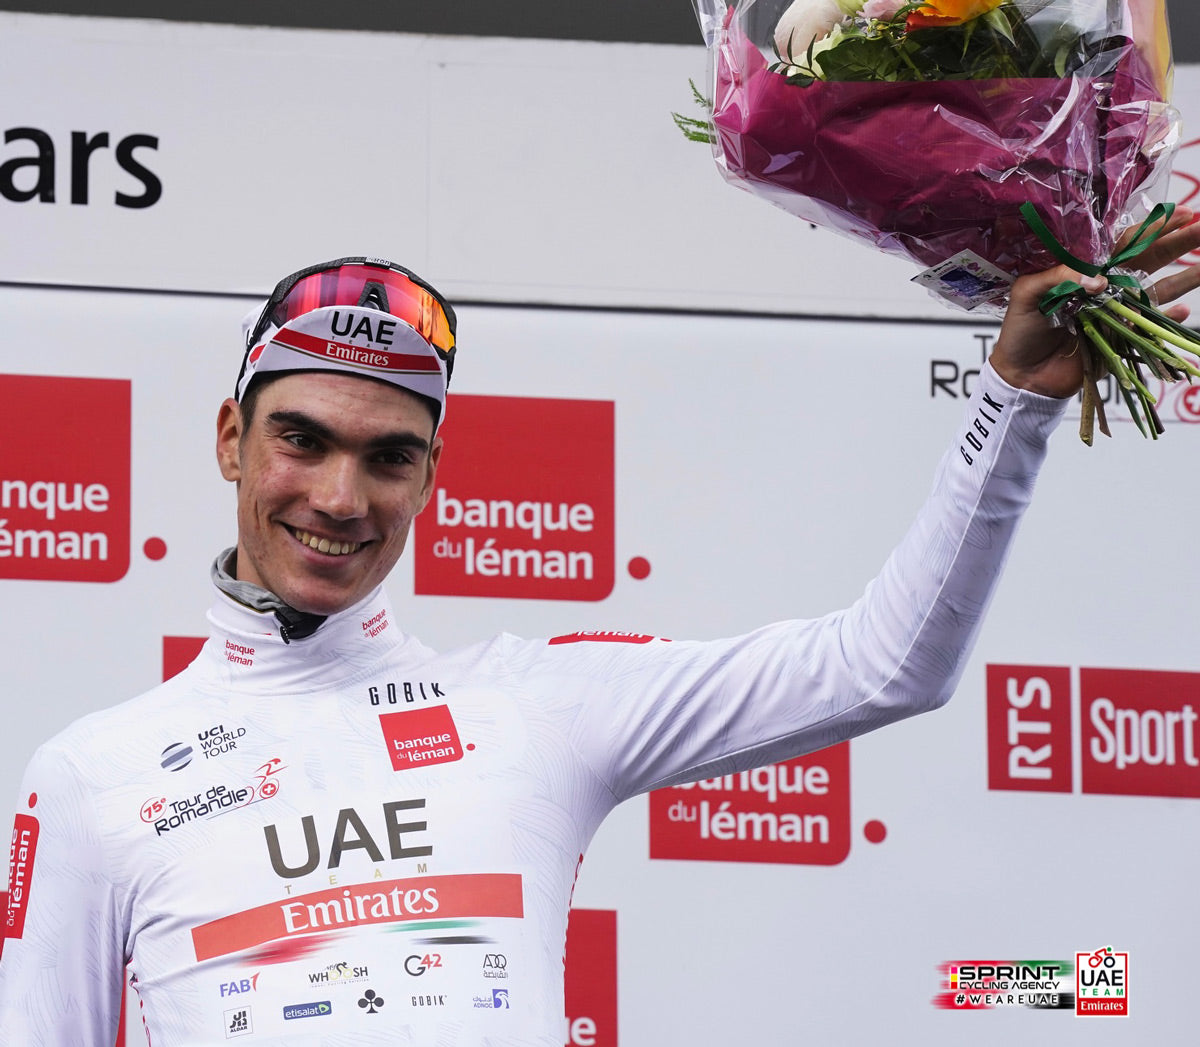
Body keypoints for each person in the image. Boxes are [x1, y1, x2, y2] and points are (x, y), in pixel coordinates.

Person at [2, 222, 1199, 1047]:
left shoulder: (532, 704)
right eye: (302, 439)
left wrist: (1013, 402)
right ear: (231, 440)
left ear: (431, 477)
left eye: (388, 456)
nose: (339, 497)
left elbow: (885, 663)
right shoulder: (91, 776)